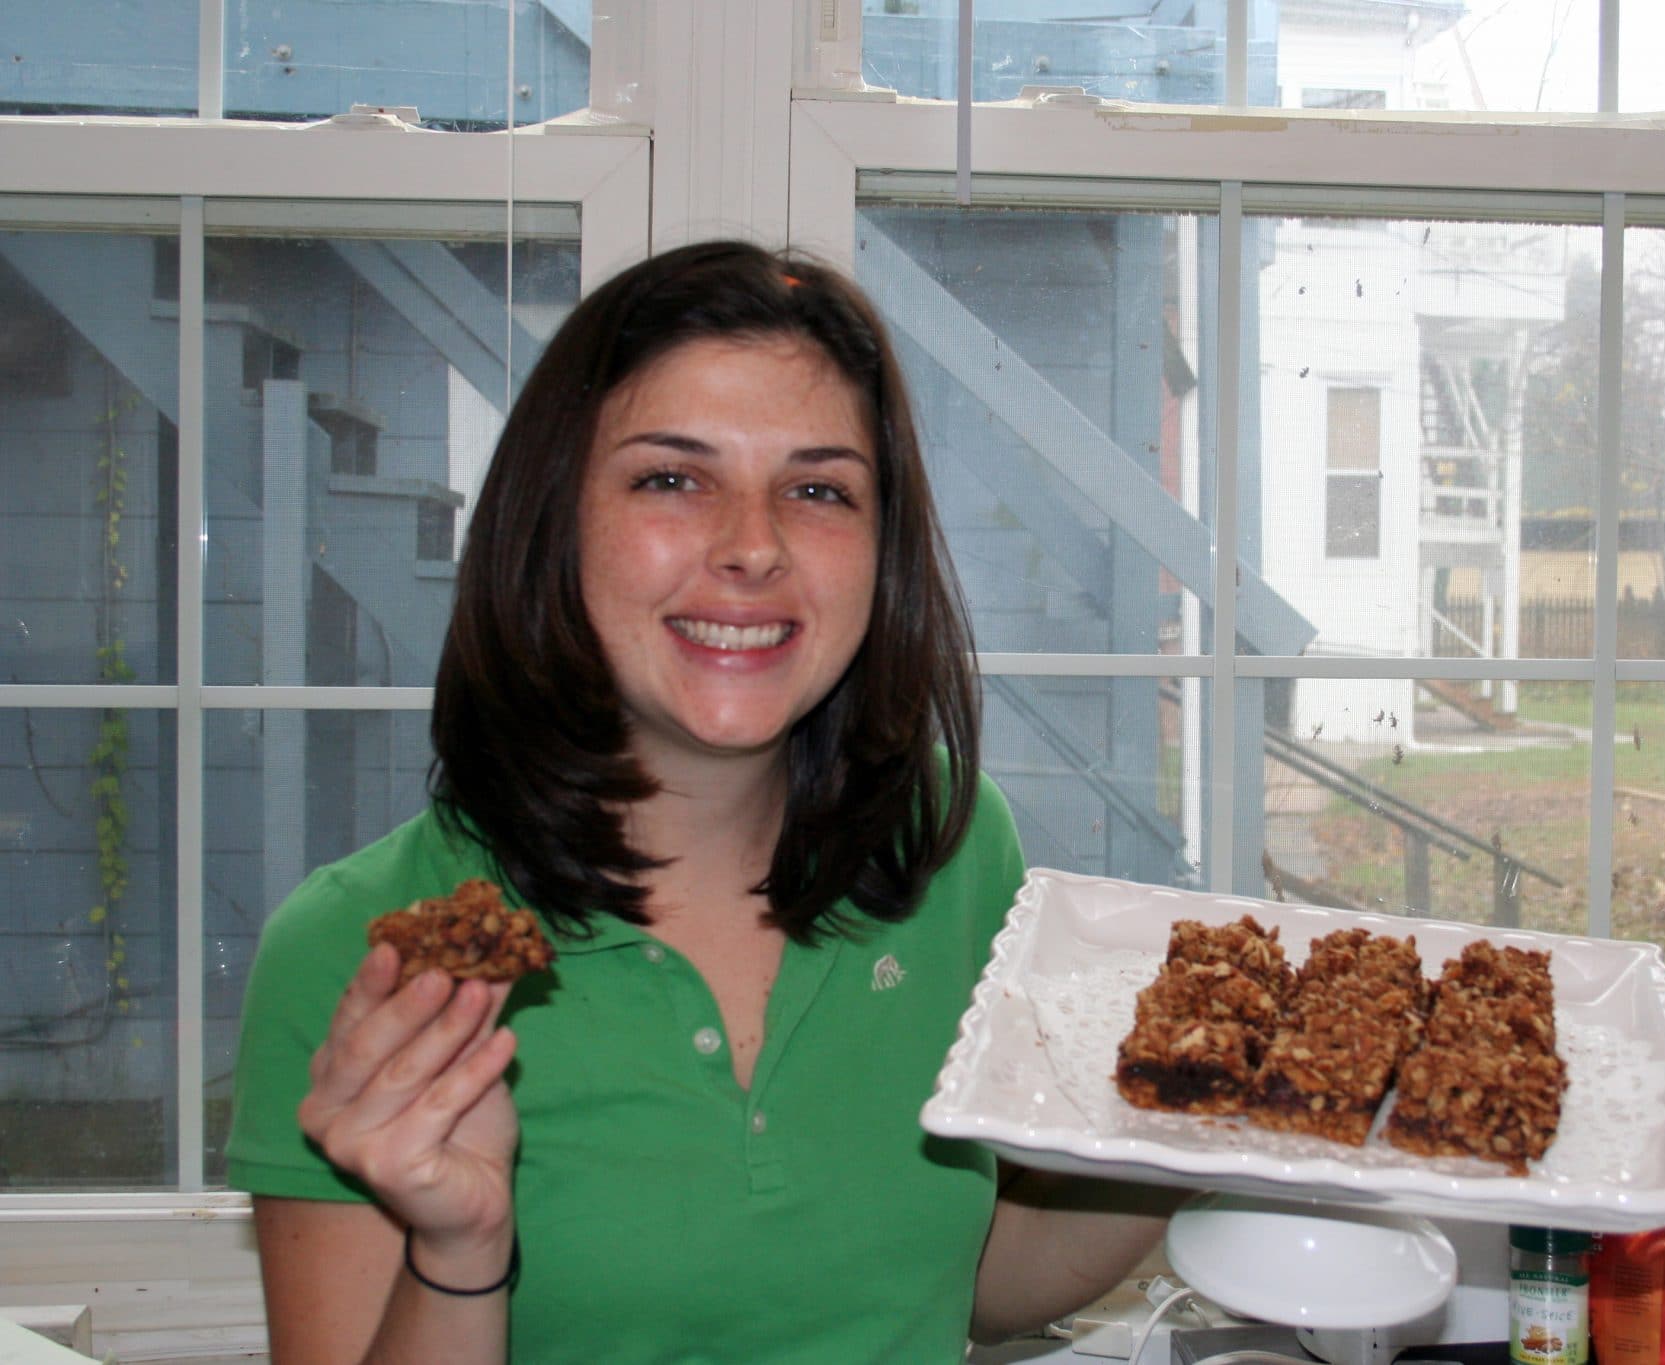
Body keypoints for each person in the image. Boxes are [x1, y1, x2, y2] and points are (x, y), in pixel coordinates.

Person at [226, 240, 1181, 1363]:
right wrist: (462, 1247)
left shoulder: (949, 849)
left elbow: (973, 1286)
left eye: (818, 489)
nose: (751, 547)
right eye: (671, 479)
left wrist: (1185, 1121)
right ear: (555, 519)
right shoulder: (359, 957)